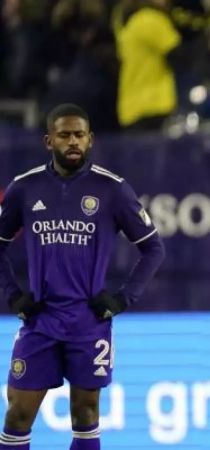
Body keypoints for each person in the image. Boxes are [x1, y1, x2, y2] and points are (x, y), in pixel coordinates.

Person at [0, 103, 166, 449]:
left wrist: (122, 298)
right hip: (40, 320)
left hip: (88, 321)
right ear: (49, 141)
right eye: (64, 135)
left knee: (86, 412)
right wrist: (13, 294)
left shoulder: (113, 189)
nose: (72, 141)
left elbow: (153, 249)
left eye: (79, 135)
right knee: (17, 413)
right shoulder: (24, 188)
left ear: (90, 140)